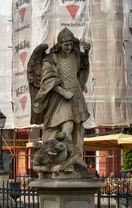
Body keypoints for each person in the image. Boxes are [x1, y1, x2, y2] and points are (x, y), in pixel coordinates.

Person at [29, 28, 91, 169]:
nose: (69, 47)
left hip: (75, 95)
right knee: (67, 126)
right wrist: (63, 92)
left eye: (71, 44)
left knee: (78, 128)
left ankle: (77, 157)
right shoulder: (51, 58)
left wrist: (86, 53)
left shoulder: (75, 54)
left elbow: (82, 66)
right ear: (59, 44)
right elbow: (49, 80)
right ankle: (65, 158)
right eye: (66, 45)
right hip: (60, 98)